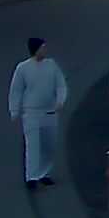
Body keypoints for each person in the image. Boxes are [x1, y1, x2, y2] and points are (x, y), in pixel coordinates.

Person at [7, 33, 70, 191]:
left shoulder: (52, 65)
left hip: (50, 112)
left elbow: (61, 84)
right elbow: (16, 90)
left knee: (49, 145)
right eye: (42, 47)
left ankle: (44, 173)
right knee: (33, 145)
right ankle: (31, 176)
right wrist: (14, 109)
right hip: (32, 113)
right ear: (35, 50)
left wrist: (60, 100)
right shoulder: (23, 68)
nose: (45, 50)